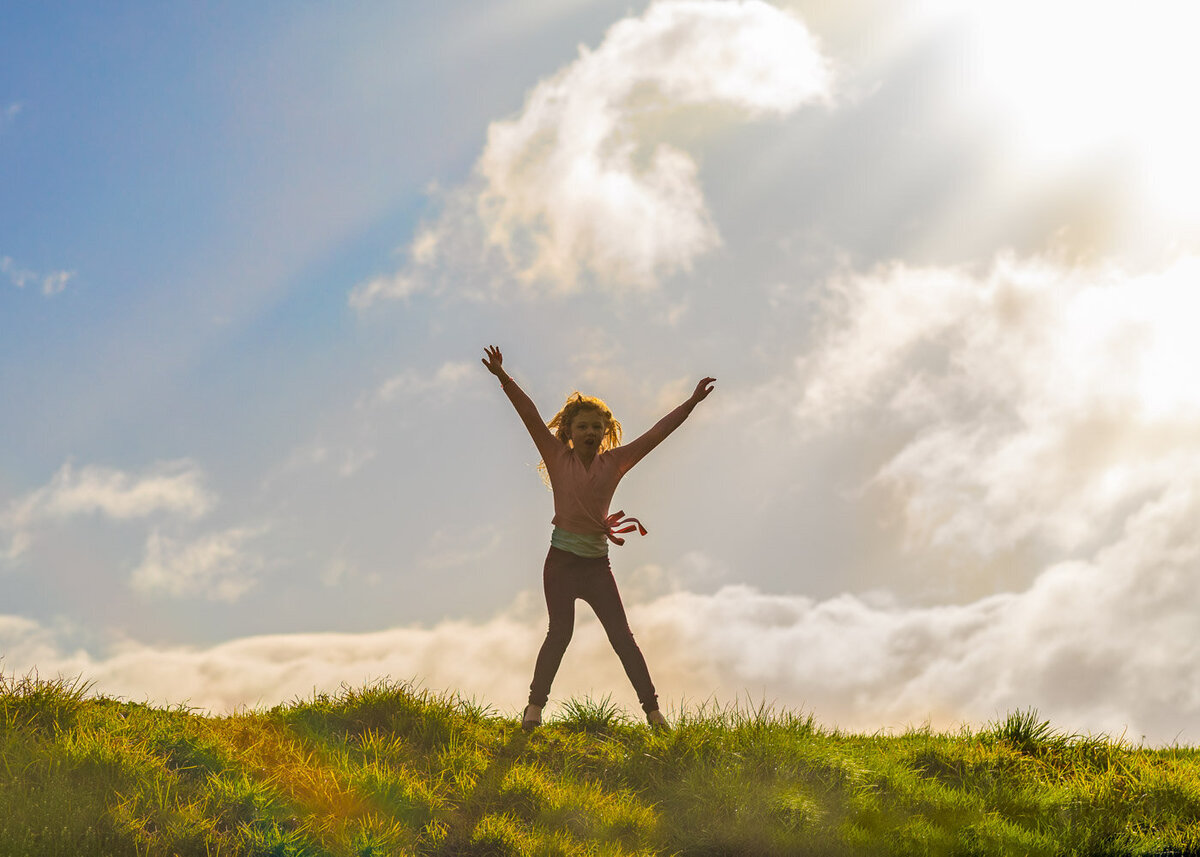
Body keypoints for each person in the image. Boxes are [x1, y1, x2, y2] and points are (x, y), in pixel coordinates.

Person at [481, 344, 715, 731]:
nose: (590, 432)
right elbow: (530, 416)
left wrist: (690, 403)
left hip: (596, 567)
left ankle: (654, 713)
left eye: (596, 427)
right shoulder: (558, 458)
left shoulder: (616, 462)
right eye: (582, 426)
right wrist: (504, 378)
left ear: (605, 433)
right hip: (561, 564)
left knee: (622, 637)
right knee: (559, 634)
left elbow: (658, 433)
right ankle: (533, 710)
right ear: (569, 433)